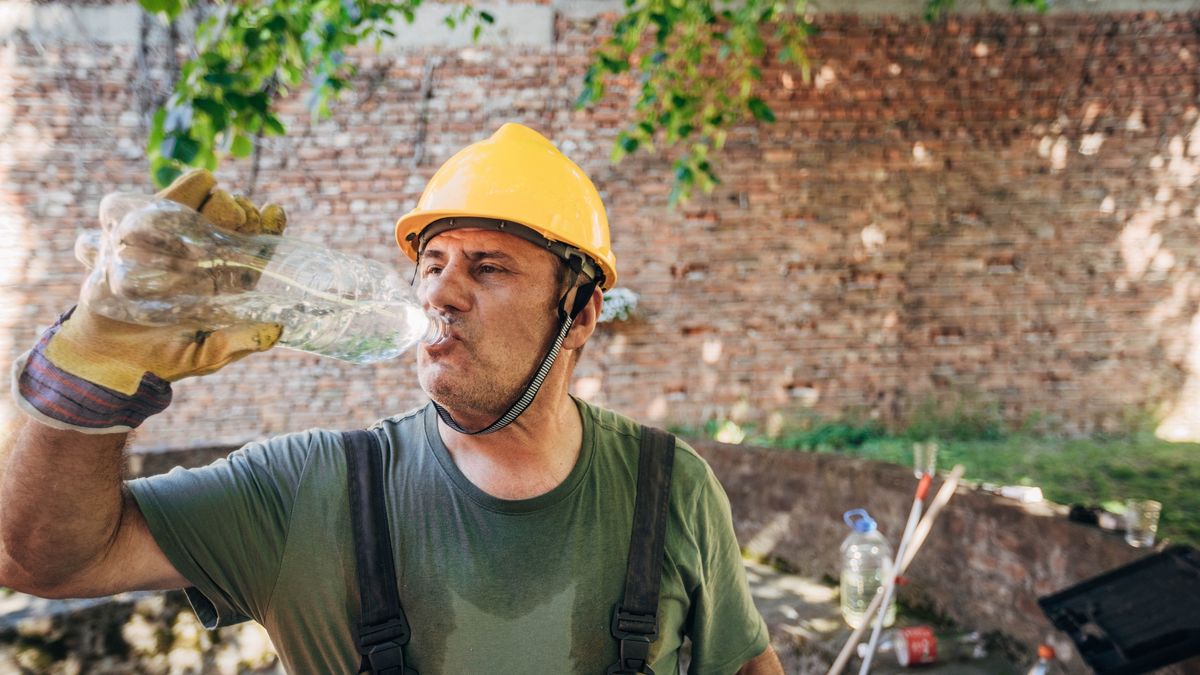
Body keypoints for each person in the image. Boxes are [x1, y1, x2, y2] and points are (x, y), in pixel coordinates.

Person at [1, 123, 783, 674]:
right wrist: (91, 368)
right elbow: (34, 558)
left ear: (579, 314)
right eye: (433, 262)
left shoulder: (671, 487)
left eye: (488, 268)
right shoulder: (308, 489)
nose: (442, 289)